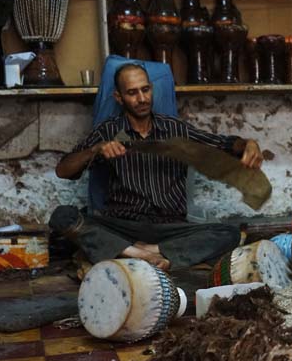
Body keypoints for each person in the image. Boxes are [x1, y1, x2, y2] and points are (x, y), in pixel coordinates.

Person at [51, 63, 264, 271]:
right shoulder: (108, 131)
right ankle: (150, 255)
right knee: (63, 217)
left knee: (229, 233)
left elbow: (224, 144)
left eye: (145, 90)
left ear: (152, 89)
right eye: (132, 93)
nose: (142, 99)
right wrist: (95, 149)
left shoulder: (174, 129)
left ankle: (145, 251)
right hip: (122, 226)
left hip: (170, 228)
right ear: (119, 97)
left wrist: (248, 143)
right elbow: (63, 171)